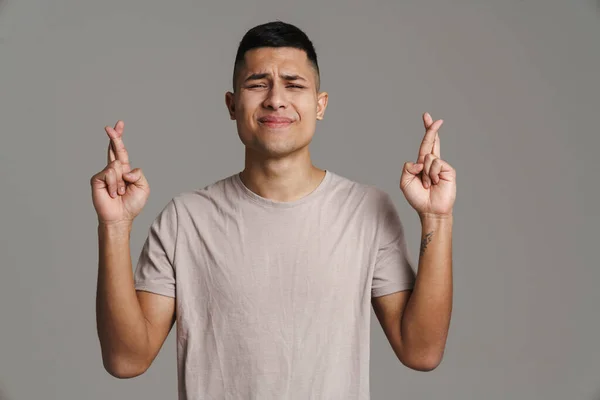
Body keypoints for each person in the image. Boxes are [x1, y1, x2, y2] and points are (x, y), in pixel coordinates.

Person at [90, 20, 456, 400]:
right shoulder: (186, 219)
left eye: (294, 84)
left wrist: (437, 217)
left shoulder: (366, 210)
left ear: (320, 105)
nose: (275, 99)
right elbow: (125, 360)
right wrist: (114, 226)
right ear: (232, 105)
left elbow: (422, 351)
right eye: (257, 84)